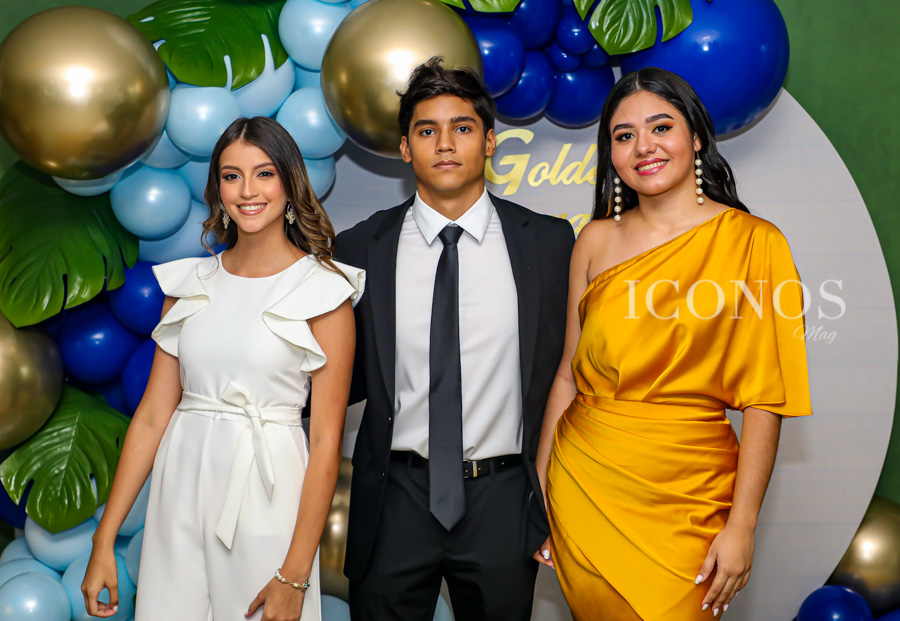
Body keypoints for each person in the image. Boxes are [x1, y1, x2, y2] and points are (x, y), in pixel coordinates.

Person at [535, 67, 813, 621]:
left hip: (693, 498)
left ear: (698, 138)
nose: (644, 146)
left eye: (661, 127)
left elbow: (766, 400)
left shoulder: (756, 243)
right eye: (624, 135)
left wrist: (742, 526)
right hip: (583, 486)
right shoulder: (594, 240)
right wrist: (541, 498)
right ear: (611, 154)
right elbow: (568, 374)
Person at [81, 116, 363, 621]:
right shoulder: (188, 285)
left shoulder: (325, 294)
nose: (247, 191)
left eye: (264, 173)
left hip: (267, 489)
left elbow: (326, 441)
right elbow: (151, 418)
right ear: (218, 190)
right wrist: (104, 539)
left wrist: (295, 575)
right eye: (232, 176)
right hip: (178, 486)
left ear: (290, 184)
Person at [335, 57, 574, 621]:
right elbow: (335, 378)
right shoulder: (358, 248)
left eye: (462, 128)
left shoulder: (549, 243)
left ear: (489, 142)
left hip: (504, 498)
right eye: (427, 131)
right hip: (394, 498)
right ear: (404, 148)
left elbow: (571, 376)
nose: (445, 144)